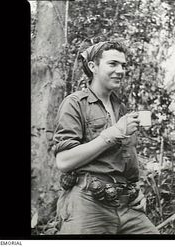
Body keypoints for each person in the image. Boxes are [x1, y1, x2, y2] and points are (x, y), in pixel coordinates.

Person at [53, 41, 159, 234]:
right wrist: (113, 133)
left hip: (127, 205)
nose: (120, 70)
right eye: (113, 64)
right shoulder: (75, 103)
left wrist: (137, 190)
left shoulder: (121, 109)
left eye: (123, 65)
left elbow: (124, 159)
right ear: (93, 66)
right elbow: (63, 161)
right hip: (88, 202)